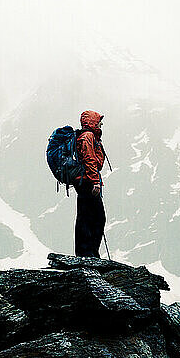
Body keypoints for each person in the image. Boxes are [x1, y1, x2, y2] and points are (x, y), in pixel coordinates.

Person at [74, 110, 106, 258]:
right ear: (93, 122)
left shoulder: (88, 136)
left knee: (86, 215)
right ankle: (88, 253)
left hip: (84, 181)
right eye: (99, 121)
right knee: (96, 217)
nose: (101, 124)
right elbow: (90, 160)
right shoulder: (88, 137)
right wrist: (95, 182)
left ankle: (87, 252)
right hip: (87, 182)